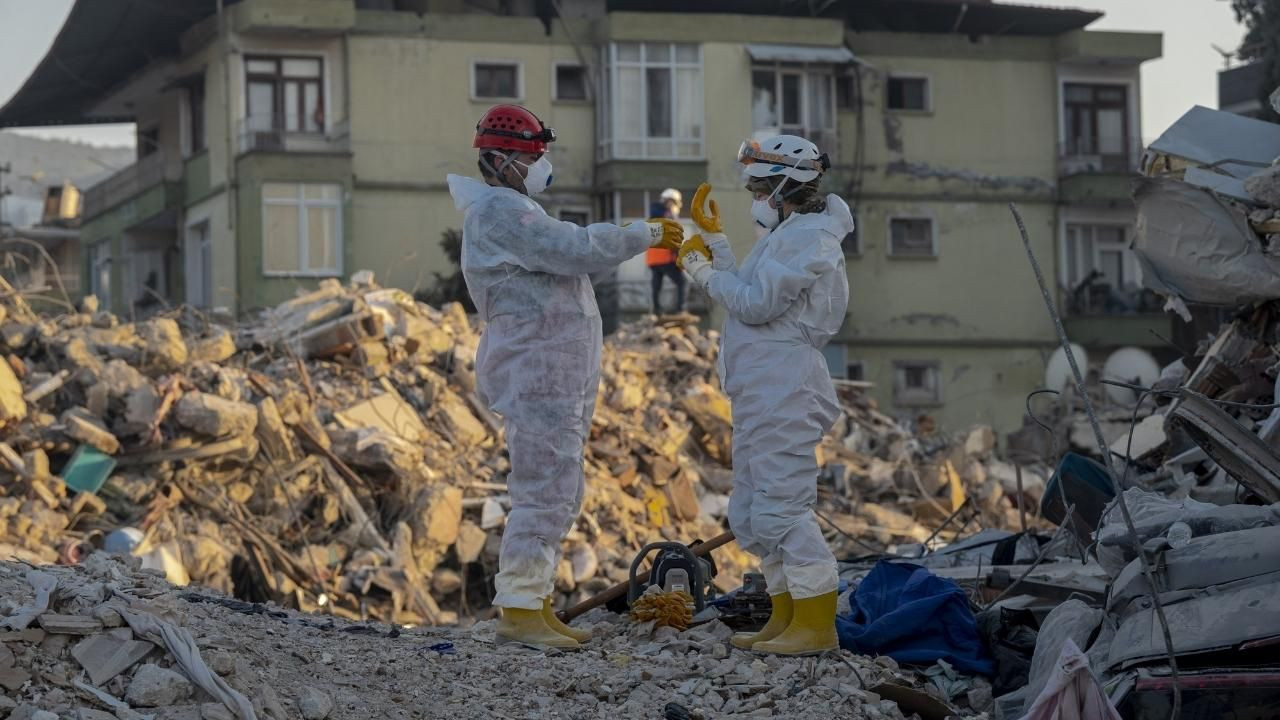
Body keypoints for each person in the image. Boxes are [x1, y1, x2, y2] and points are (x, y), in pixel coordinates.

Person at [446, 105, 684, 648]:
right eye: (532, 156)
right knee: (542, 488)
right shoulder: (501, 212)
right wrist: (644, 232)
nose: (541, 165)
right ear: (502, 161)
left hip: (552, 368)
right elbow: (575, 249)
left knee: (557, 488)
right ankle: (522, 611)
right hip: (538, 370)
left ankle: (533, 599)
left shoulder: (512, 209)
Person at [677, 135, 853, 656]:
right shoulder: (791, 234)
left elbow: (752, 305)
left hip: (785, 387)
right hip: (761, 391)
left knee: (783, 509)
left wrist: (700, 270)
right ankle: (785, 616)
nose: (755, 198)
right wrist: (718, 244)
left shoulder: (812, 240)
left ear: (785, 187)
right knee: (754, 512)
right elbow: (748, 289)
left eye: (759, 188)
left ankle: (816, 624)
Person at [647, 188, 686, 314]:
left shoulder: (652, 217)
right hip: (665, 257)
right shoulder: (669, 218)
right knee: (682, 282)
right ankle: (680, 309)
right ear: (671, 202)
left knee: (657, 285)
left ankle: (656, 311)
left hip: (652, 259)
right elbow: (674, 240)